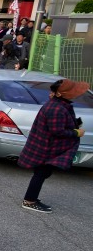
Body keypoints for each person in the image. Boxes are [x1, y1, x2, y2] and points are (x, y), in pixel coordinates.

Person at [18, 79, 88, 213]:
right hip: (47, 148)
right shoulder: (56, 108)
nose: (76, 94)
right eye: (73, 91)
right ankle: (29, 201)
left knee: (41, 173)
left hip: (47, 147)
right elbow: (57, 131)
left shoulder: (60, 104)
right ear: (60, 94)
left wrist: (74, 124)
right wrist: (76, 132)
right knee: (41, 174)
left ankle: (31, 198)